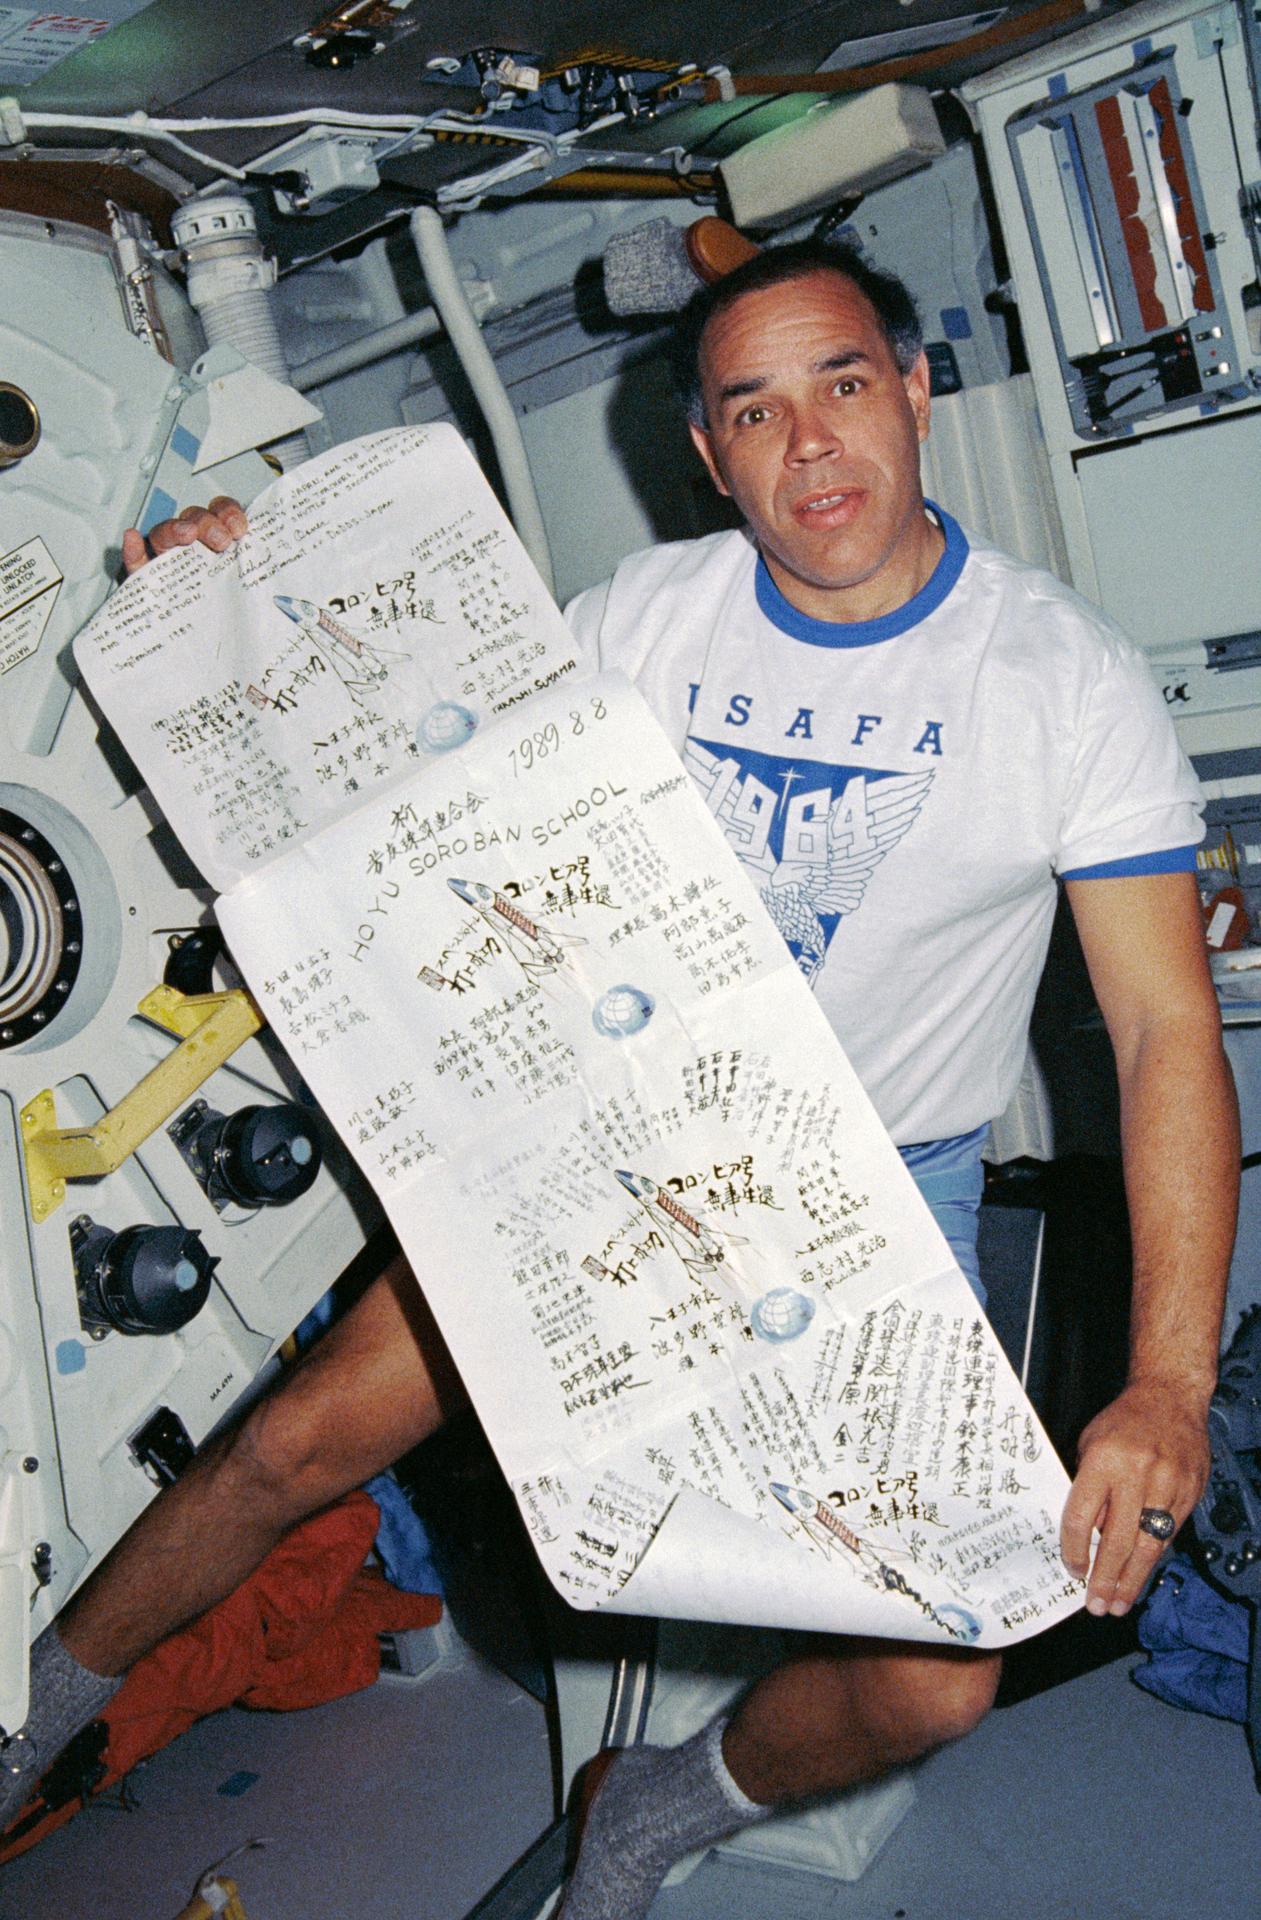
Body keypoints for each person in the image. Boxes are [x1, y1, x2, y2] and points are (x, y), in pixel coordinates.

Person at [1, 242, 1236, 1909]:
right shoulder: (641, 621)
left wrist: (1162, 1383)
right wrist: (228, 603)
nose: (810, 446)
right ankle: (28, 1720)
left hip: (867, 1204)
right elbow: (391, 757)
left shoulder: (1063, 683)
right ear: (708, 452)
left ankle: (659, 1805)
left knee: (944, 1671)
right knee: (296, 1442)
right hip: (597, 1139)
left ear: (916, 392)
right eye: (755, 410)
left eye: (844, 385)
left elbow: (1163, 1030)